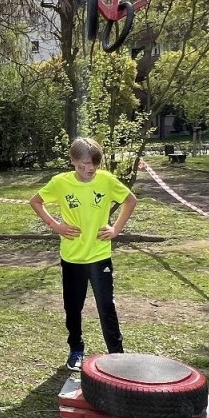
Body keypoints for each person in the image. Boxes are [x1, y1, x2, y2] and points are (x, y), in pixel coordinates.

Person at [31, 137, 138, 371]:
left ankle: (117, 355)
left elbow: (130, 200)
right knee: (73, 306)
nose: (89, 170)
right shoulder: (60, 183)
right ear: (72, 161)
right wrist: (55, 225)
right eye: (83, 166)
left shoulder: (107, 180)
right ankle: (76, 349)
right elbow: (36, 201)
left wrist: (116, 229)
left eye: (93, 166)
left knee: (106, 306)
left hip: (99, 256)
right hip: (72, 258)